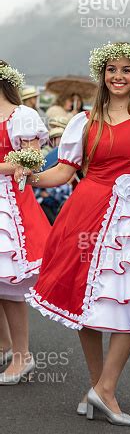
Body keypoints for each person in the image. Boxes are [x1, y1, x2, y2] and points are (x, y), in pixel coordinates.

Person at [23, 42, 130, 424]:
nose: (118, 76)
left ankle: (104, 387)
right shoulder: (84, 120)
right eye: (111, 69)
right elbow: (63, 172)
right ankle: (100, 387)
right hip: (86, 209)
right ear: (102, 74)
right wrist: (30, 175)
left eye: (126, 70)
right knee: (85, 300)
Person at [0, 61, 50, 385]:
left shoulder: (22, 116)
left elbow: (30, 160)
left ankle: (23, 355)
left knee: (11, 285)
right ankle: (5, 346)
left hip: (10, 204)